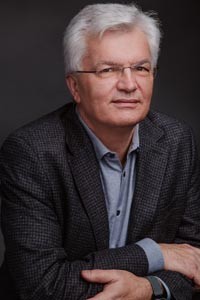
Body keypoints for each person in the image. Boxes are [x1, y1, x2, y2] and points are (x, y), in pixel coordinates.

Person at [0, 2, 200, 300]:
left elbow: (193, 258)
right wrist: (153, 254)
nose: (129, 84)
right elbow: (42, 283)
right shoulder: (31, 152)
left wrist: (148, 288)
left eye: (141, 68)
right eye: (108, 70)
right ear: (75, 86)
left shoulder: (177, 141)